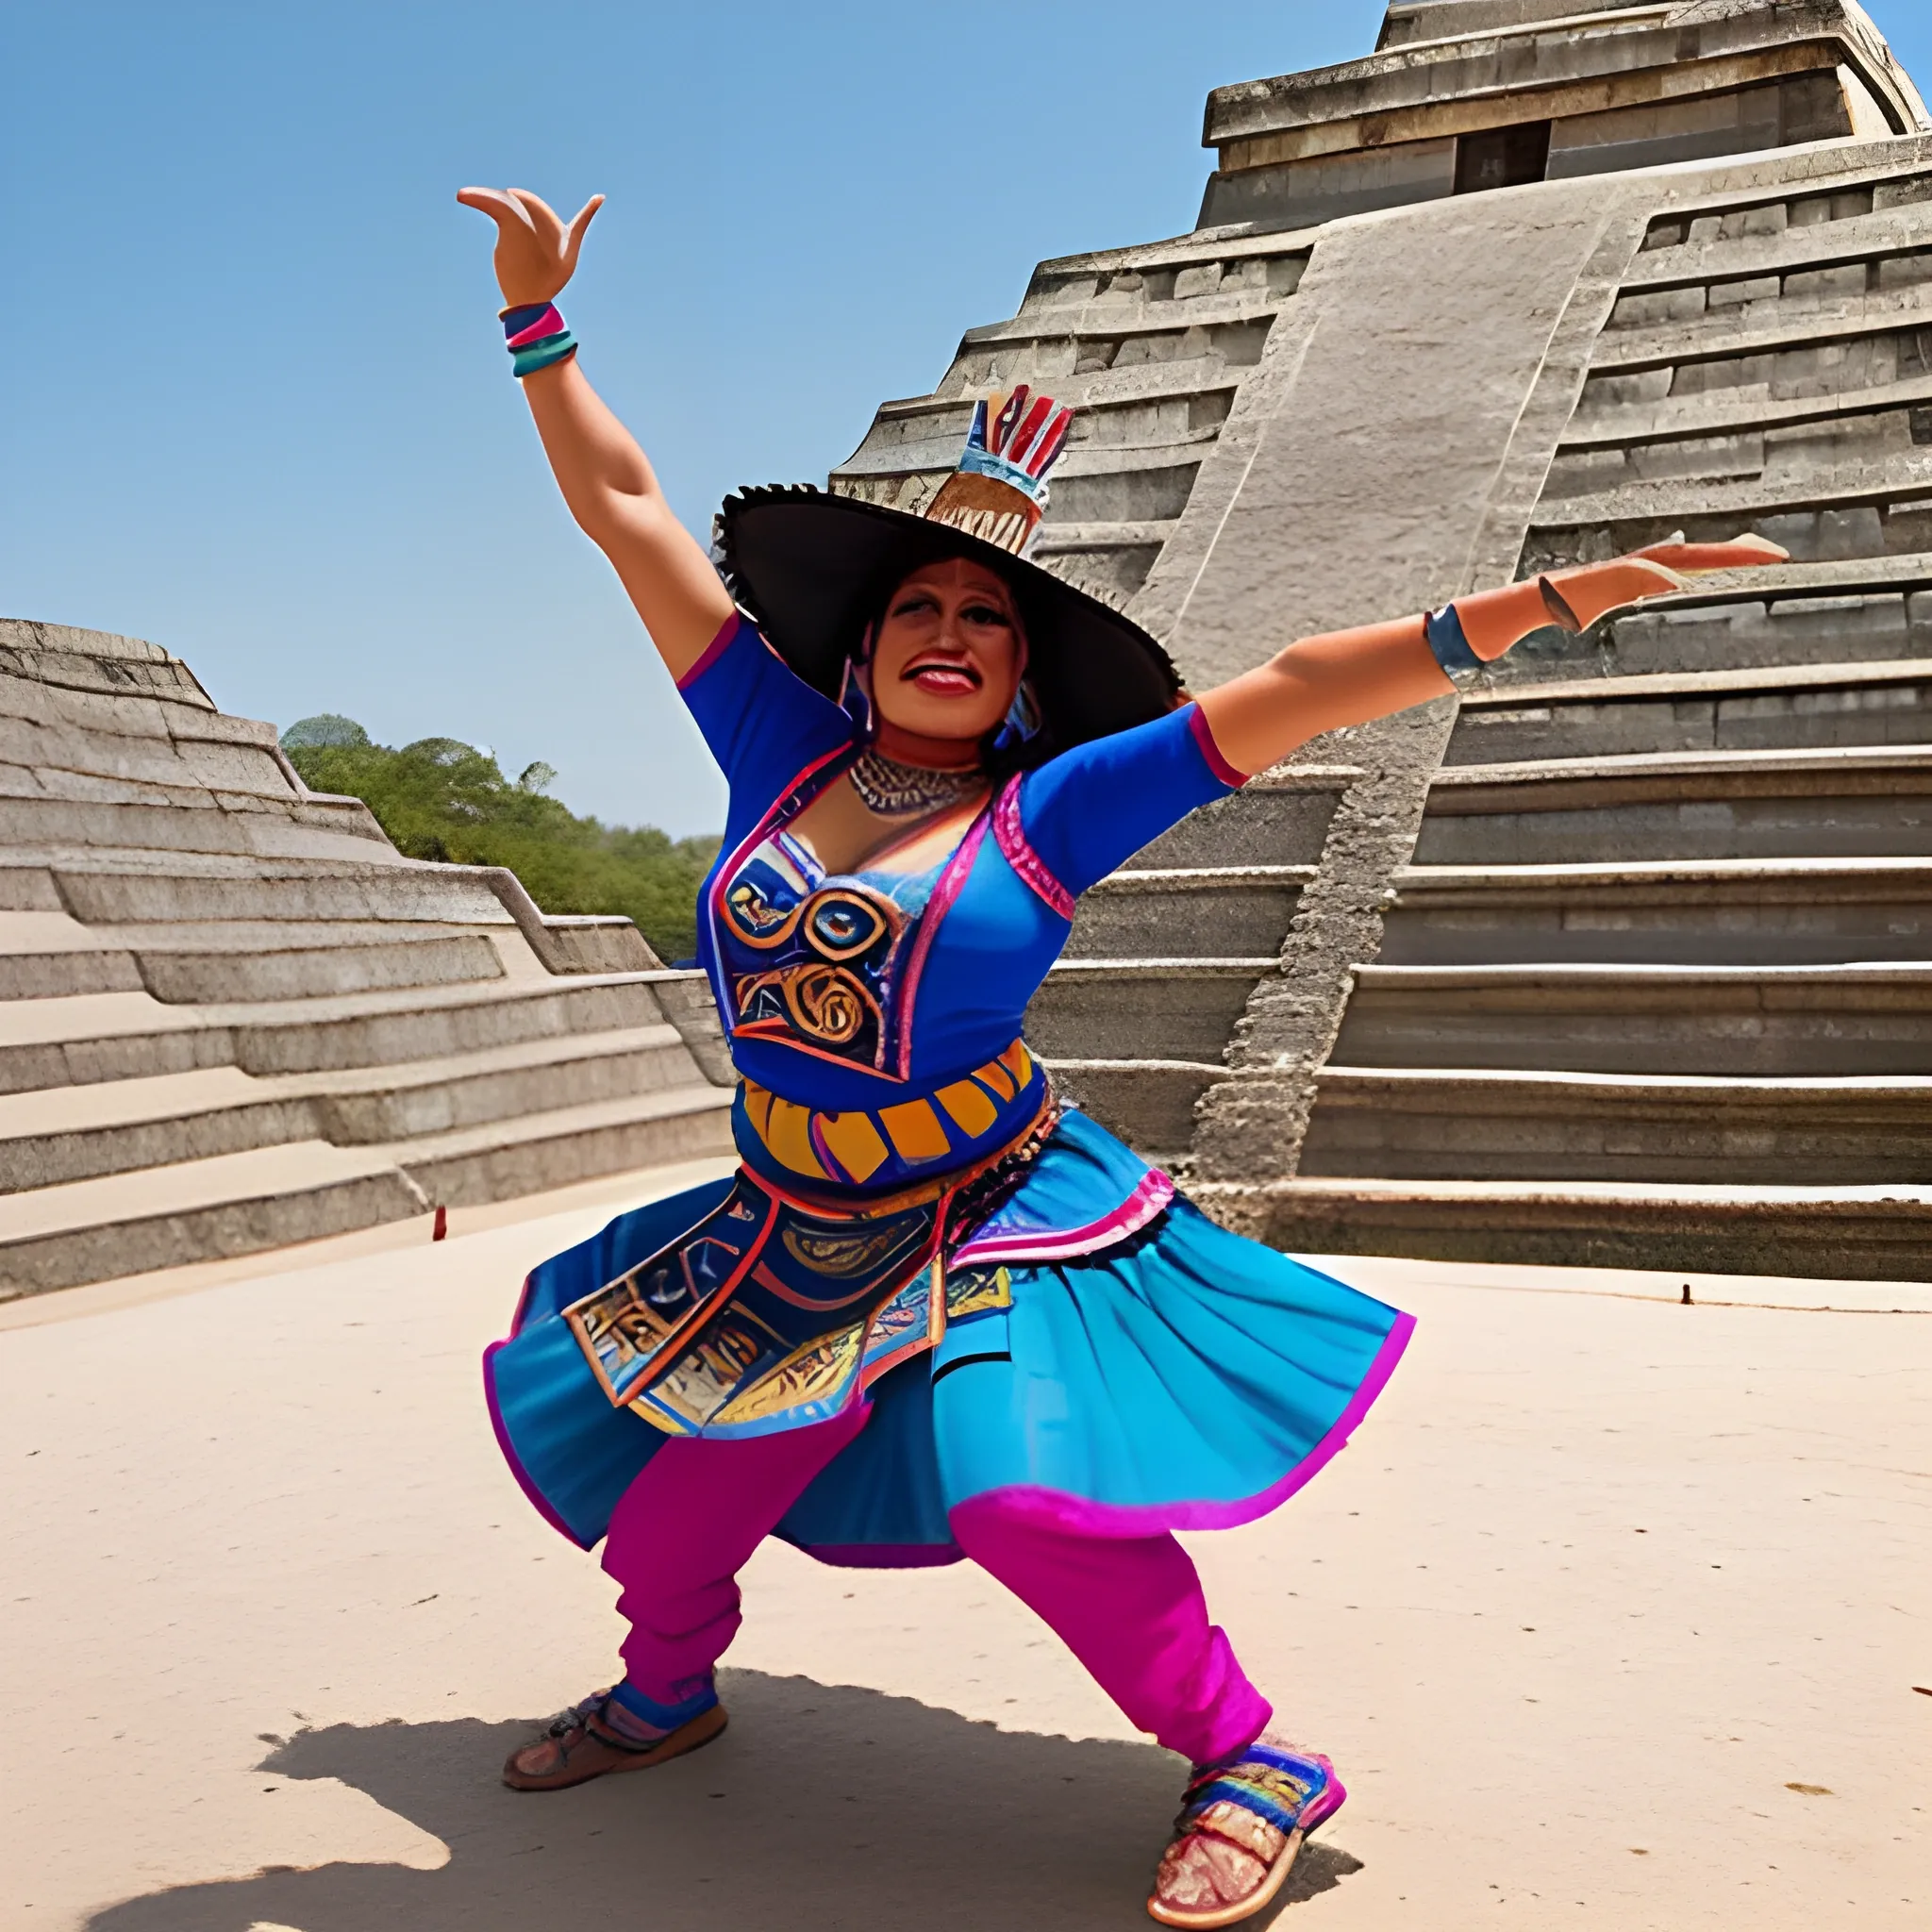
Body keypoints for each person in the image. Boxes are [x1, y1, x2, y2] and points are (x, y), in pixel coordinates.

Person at [459, 184, 1784, 1928]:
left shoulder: (1056, 807)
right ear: (859, 652)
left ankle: (1250, 1758)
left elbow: (1305, 685)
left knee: (1027, 1494)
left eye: (987, 618)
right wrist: (540, 328)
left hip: (994, 1205)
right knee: (674, 1528)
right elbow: (630, 517)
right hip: (786, 1218)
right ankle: (667, 1693)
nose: (948, 626)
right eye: (918, 604)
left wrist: (1551, 599)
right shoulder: (764, 740)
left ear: (1018, 680)